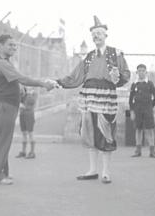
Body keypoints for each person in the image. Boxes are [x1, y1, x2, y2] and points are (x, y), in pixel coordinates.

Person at [56, 16, 130, 184]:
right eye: (94, 34)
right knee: (89, 132)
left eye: (99, 34)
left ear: (105, 35)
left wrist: (117, 78)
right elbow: (75, 76)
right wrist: (58, 82)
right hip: (88, 97)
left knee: (105, 132)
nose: (96, 37)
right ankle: (92, 169)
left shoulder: (115, 53)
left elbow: (125, 75)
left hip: (106, 97)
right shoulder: (88, 56)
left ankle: (105, 171)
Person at [0, 34, 55, 185]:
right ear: (0, 45)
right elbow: (21, 78)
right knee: (1, 142)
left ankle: (2, 173)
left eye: (15, 45)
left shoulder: (6, 62)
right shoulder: (2, 63)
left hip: (7, 107)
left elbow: (14, 81)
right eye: (10, 45)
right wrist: (43, 83)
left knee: (4, 141)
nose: (13, 48)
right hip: (2, 107)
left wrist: (21, 89)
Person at [129, 64, 155, 158]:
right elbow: (130, 99)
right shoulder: (134, 84)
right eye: (139, 71)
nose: (141, 72)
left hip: (148, 110)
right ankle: (138, 151)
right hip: (137, 110)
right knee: (138, 129)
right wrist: (132, 111)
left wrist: (150, 106)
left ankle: (152, 151)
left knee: (150, 130)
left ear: (146, 72)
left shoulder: (150, 83)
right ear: (137, 72)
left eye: (143, 70)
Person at [16, 87, 38, 159]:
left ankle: (32, 152)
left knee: (30, 133)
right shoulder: (20, 97)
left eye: (21, 90)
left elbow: (32, 106)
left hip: (29, 116)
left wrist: (23, 106)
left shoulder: (29, 97)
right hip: (22, 115)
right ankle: (23, 151)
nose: (20, 91)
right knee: (24, 133)